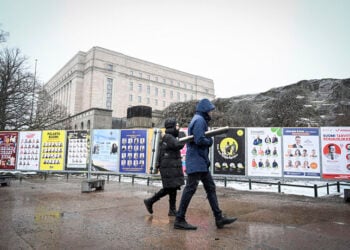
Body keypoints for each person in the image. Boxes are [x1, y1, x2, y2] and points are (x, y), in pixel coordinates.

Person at [174, 98, 237, 230]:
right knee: (190, 189)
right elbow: (199, 139)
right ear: (205, 110)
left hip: (200, 162)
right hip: (197, 161)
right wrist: (210, 141)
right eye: (210, 110)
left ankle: (219, 218)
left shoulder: (198, 119)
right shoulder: (199, 120)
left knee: (210, 188)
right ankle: (179, 219)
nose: (212, 113)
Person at [144, 118, 185, 216]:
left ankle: (172, 210)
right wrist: (182, 136)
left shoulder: (168, 136)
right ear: (172, 126)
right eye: (177, 126)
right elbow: (178, 145)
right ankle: (150, 201)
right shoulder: (169, 137)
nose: (178, 128)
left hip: (170, 166)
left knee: (173, 187)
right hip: (168, 167)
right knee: (169, 188)